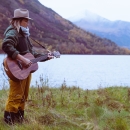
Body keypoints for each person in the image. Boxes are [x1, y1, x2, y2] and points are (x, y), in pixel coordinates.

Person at [2, 8, 53, 125]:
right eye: (26, 20)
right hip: (16, 69)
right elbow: (6, 45)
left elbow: (32, 54)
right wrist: (22, 59)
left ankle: (19, 120)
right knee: (15, 95)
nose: (28, 23)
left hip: (25, 70)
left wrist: (46, 56)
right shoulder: (13, 32)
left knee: (24, 95)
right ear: (19, 20)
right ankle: (9, 121)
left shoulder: (24, 34)